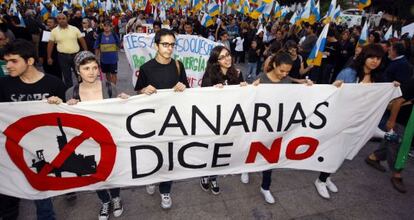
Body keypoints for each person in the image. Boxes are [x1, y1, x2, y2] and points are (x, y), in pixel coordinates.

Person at [49, 51, 128, 220]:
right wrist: (66, 107)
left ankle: (116, 197)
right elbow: (68, 122)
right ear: (78, 70)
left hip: (108, 139)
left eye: (94, 67)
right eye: (86, 68)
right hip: (87, 143)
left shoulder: (109, 87)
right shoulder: (71, 92)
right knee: (93, 173)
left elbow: (119, 113)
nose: (91, 72)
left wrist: (125, 101)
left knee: (111, 170)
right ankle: (104, 201)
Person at [314, 44, 398, 199]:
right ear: (364, 57)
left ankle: (328, 177)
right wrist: (335, 86)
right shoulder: (349, 73)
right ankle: (321, 180)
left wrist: (391, 89)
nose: (375, 61)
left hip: (360, 122)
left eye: (378, 58)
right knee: (335, 152)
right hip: (342, 120)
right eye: (371, 57)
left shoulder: (378, 78)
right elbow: (333, 95)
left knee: (345, 152)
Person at [0, 39, 66, 220]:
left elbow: (68, 118)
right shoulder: (3, 85)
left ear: (29, 61)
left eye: (13, 61)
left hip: (43, 149)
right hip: (11, 149)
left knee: (41, 195)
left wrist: (61, 105)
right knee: (8, 196)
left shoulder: (54, 84)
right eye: (6, 61)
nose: (8, 66)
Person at [246, 51, 312, 204]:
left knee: (270, 157)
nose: (284, 74)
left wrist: (306, 84)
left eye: (287, 71)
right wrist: (250, 89)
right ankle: (246, 169)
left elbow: (293, 83)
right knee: (251, 151)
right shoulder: (261, 79)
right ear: (274, 65)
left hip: (276, 127)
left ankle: (265, 187)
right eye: (281, 70)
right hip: (258, 125)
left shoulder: (287, 81)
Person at [134, 28, 189, 209]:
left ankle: (165, 190)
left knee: (170, 158)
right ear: (156, 45)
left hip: (173, 121)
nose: (169, 48)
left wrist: (183, 87)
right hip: (152, 123)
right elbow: (138, 92)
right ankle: (152, 178)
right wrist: (143, 91)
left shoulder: (178, 65)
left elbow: (187, 91)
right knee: (153, 156)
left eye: (172, 45)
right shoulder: (146, 68)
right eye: (165, 44)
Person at [200, 45, 246, 195]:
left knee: (221, 150)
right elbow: (203, 100)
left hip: (230, 121)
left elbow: (242, 98)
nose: (227, 59)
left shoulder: (238, 74)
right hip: (213, 121)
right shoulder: (210, 76)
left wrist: (246, 88)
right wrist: (213, 91)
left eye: (228, 55)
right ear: (216, 61)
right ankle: (205, 175)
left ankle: (214, 177)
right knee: (211, 150)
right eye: (222, 57)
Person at [365, 78, 414, 193]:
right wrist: (391, 121)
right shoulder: (412, 82)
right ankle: (397, 173)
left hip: (409, 122)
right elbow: (398, 101)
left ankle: (374, 157)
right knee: (398, 145)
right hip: (402, 120)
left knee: (391, 141)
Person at [47, 13, 88, 88]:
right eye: (59, 19)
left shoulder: (74, 29)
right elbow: (50, 45)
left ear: (67, 19)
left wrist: (86, 53)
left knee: (79, 74)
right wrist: (49, 57)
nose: (61, 20)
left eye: (63, 18)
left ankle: (83, 89)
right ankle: (71, 93)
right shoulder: (54, 31)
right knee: (67, 76)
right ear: (57, 21)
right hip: (62, 57)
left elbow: (82, 41)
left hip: (76, 56)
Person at [94, 20, 120, 84]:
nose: (106, 27)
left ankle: (114, 88)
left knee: (114, 74)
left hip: (113, 60)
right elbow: (97, 47)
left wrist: (116, 51)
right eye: (105, 26)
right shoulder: (100, 36)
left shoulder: (114, 35)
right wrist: (96, 57)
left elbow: (119, 44)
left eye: (108, 26)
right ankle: (109, 86)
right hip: (104, 60)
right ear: (103, 27)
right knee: (107, 73)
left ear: (111, 27)